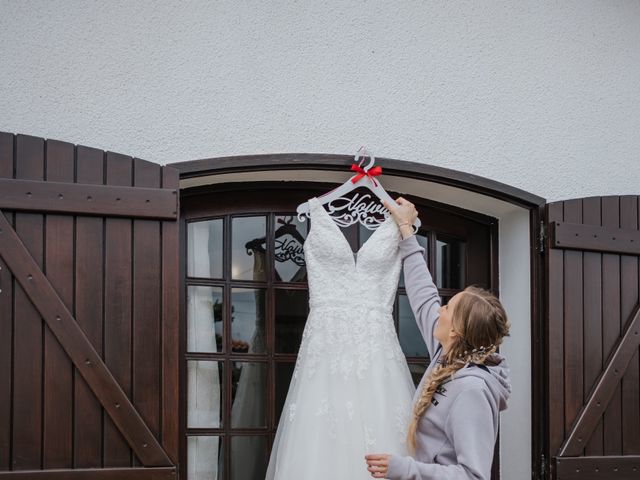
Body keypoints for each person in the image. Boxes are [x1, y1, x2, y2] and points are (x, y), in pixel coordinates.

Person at [365, 197, 511, 480]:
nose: (439, 309)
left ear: (456, 329)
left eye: (447, 307)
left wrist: (404, 469)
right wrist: (407, 229)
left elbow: (473, 475)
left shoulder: (472, 390)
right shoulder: (447, 356)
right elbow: (424, 295)